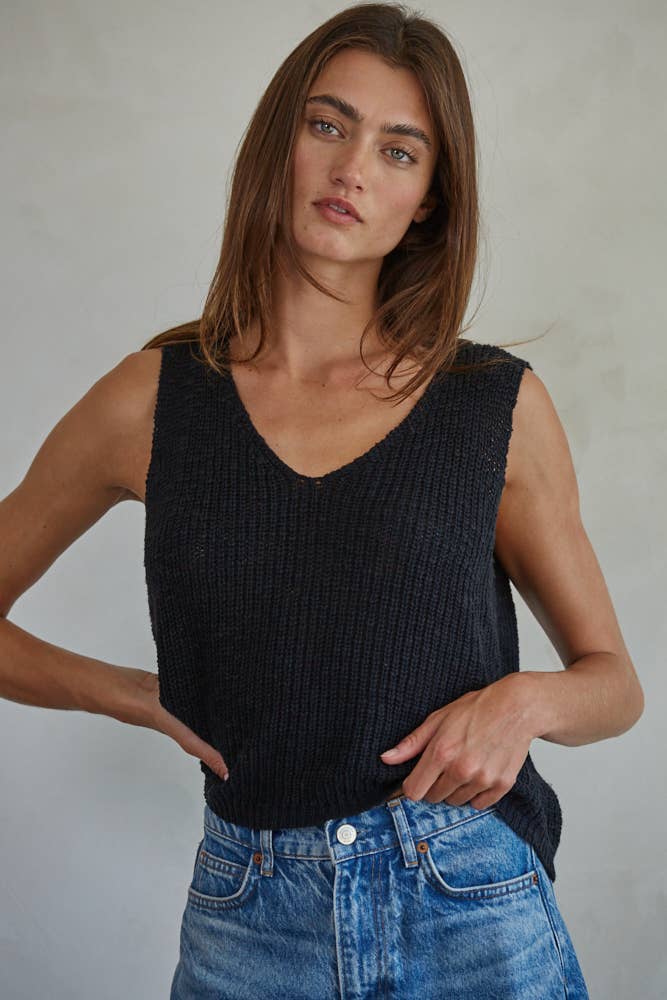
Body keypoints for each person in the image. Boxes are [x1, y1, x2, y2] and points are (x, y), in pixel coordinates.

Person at [0, 3, 643, 997]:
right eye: (327, 124)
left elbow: (615, 685)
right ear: (280, 145)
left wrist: (523, 701)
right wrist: (129, 691)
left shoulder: (491, 406)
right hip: (249, 918)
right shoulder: (152, 401)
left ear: (427, 198)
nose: (352, 169)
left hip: (468, 897)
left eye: (398, 150)